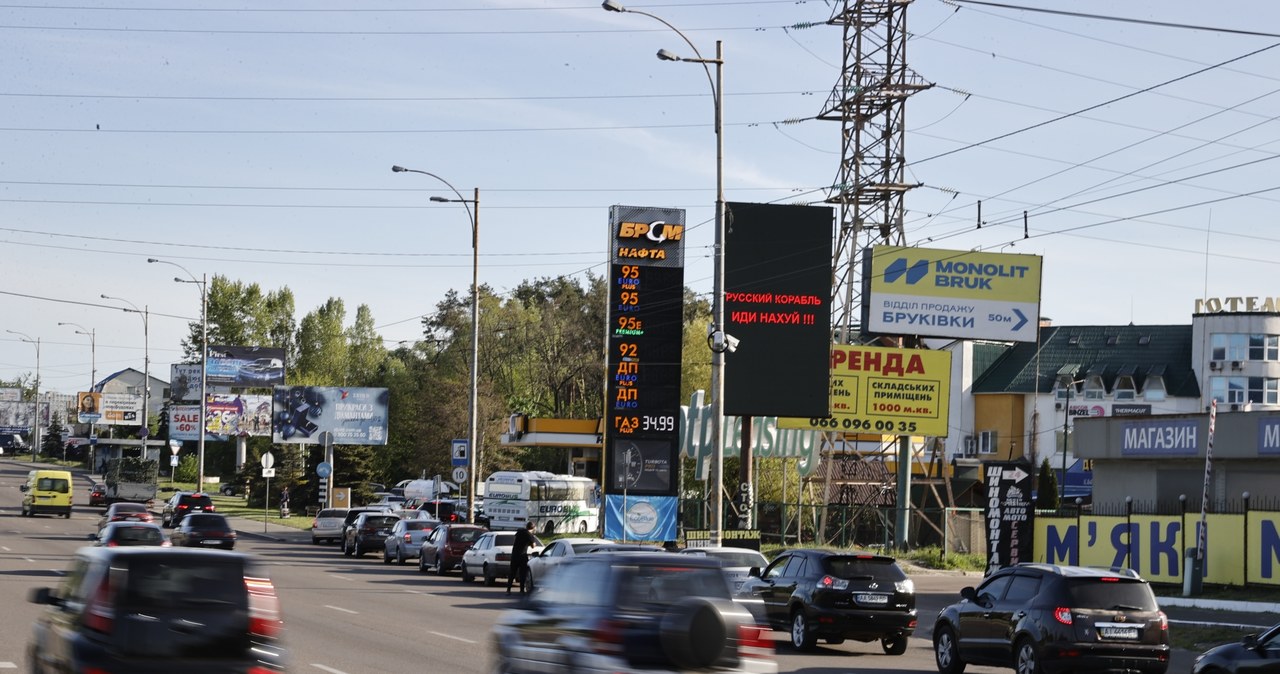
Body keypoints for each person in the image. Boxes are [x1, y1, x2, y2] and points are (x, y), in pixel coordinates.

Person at [507, 521, 541, 595]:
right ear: (533, 528)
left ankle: (508, 590)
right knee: (522, 573)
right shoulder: (530, 535)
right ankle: (522, 590)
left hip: (514, 555)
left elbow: (517, 540)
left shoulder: (520, 532)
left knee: (512, 573)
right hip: (522, 556)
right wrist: (532, 541)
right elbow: (533, 546)